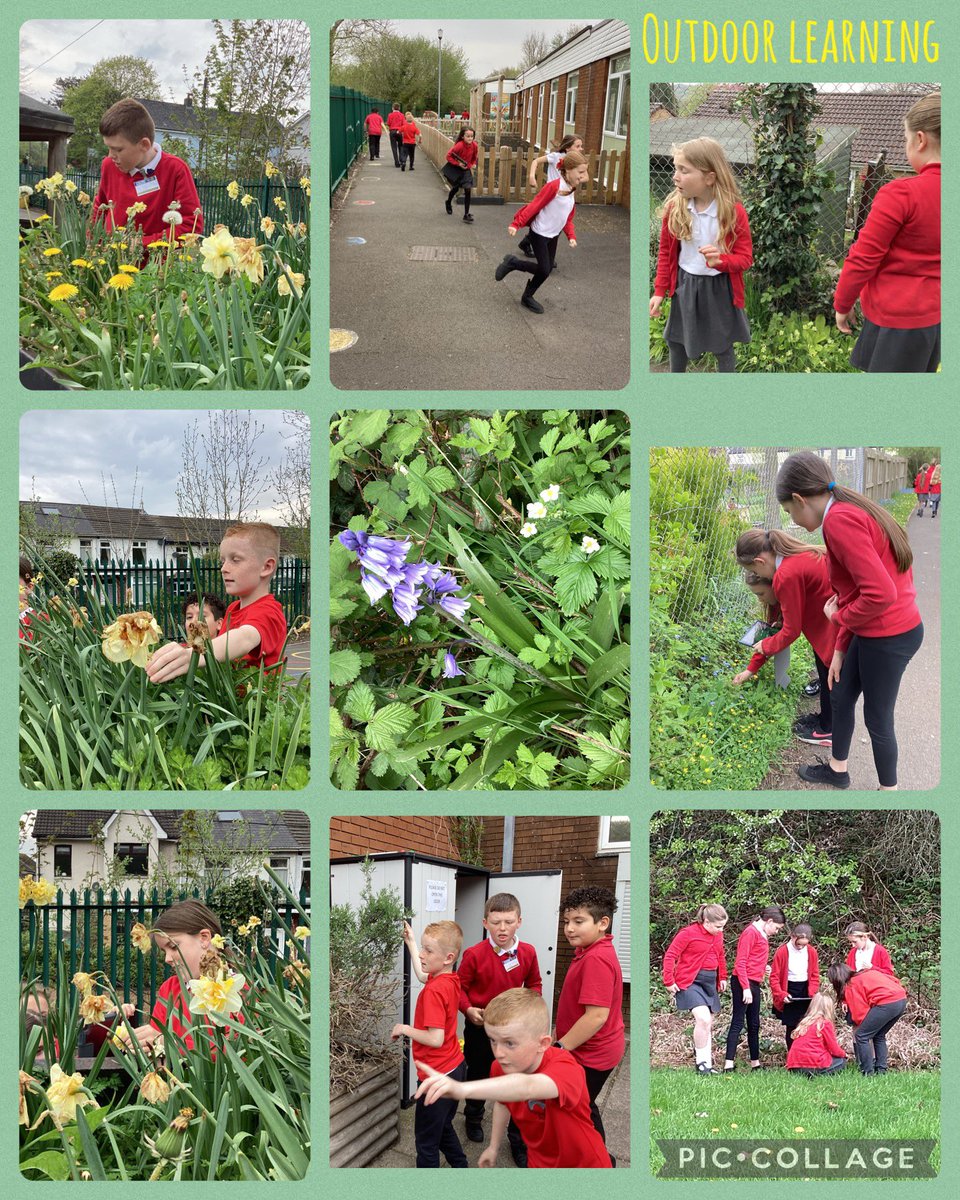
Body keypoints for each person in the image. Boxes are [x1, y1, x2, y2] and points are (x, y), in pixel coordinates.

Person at [775, 451, 923, 790]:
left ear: (799, 499)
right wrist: (841, 647)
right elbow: (854, 591)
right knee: (839, 691)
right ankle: (837, 770)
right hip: (872, 628)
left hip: (889, 635)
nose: (792, 519)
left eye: (788, 511)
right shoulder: (844, 510)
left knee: (878, 720)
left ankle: (889, 795)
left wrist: (838, 617)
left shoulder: (839, 521)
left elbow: (880, 593)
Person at [414, 989, 613, 1168]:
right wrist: (493, 1146)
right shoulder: (500, 1067)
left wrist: (462, 1089)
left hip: (584, 1164)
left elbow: (527, 1087)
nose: (498, 1053)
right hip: (539, 1161)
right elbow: (503, 1103)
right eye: (493, 1040)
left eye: (509, 1043)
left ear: (543, 1044)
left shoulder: (566, 1068)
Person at [833, 93, 940, 372]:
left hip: (896, 322)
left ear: (920, 140)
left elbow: (863, 257)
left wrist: (843, 303)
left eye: (905, 139)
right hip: (936, 319)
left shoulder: (902, 193)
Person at [650, 137, 752, 373]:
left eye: (684, 170)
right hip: (685, 285)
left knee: (722, 346)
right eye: (675, 169)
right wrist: (659, 291)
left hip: (719, 288)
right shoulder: (675, 209)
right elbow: (665, 254)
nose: (675, 176)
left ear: (709, 178)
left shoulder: (733, 212)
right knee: (676, 342)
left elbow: (745, 258)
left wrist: (721, 260)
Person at [457, 893, 542, 1163]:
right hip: (481, 1028)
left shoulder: (528, 952)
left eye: (508, 922)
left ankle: (517, 1138)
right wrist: (467, 1009)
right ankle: (473, 1116)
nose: (502, 929)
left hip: (514, 1030)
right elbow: (459, 988)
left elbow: (535, 984)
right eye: (495, 923)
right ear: (485, 923)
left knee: (516, 1078)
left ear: (519, 921)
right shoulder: (474, 954)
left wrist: (530, 1009)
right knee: (479, 1073)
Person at [733, 529, 837, 748]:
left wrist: (767, 644)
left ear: (760, 562)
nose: (760, 600)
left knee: (830, 676)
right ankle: (825, 720)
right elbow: (776, 631)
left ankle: (828, 729)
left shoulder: (784, 576)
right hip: (827, 624)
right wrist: (751, 669)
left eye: (760, 594)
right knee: (824, 671)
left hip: (832, 629)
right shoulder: (792, 558)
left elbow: (791, 631)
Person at [146, 523, 287, 683]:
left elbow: (244, 638)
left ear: (266, 567)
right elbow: (219, 645)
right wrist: (183, 649)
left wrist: (192, 655)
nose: (223, 568)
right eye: (222, 561)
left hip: (257, 699)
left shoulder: (269, 611)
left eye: (235, 560)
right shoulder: (233, 608)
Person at [391, 920, 468, 1168]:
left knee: (426, 1143)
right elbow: (423, 975)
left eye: (428, 950)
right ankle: (462, 1167)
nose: (422, 955)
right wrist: (411, 942)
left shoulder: (434, 991)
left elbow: (435, 1039)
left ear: (448, 957)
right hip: (455, 1069)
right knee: (443, 1127)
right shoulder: (449, 979)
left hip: (436, 1078)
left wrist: (404, 1029)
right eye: (423, 948)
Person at [119, 900, 241, 1054]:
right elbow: (155, 1045)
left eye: (174, 947)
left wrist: (170, 1044)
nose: (167, 959)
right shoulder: (169, 989)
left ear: (204, 938)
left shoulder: (239, 990)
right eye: (164, 951)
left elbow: (240, 1051)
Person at [554, 886, 624, 1143]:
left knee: (580, 1109)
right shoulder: (587, 952)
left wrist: (560, 1048)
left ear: (602, 923)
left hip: (593, 1055)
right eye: (566, 922)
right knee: (581, 1105)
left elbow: (596, 1017)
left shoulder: (596, 959)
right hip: (587, 1049)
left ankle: (600, 1160)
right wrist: (558, 1032)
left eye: (578, 921)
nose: (569, 928)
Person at [93, 99, 203, 246]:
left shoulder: (175, 170)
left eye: (118, 149)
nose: (111, 155)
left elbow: (191, 226)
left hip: (156, 260)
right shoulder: (109, 165)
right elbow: (99, 210)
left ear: (144, 145)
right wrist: (93, 245)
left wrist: (142, 244)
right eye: (109, 147)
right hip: (111, 258)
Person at [494, 150, 588, 315]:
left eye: (584, 172)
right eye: (581, 172)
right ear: (568, 170)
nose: (584, 176)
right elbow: (535, 205)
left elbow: (566, 217)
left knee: (547, 269)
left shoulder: (571, 189)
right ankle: (516, 270)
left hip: (553, 235)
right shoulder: (554, 186)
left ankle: (522, 283)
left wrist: (571, 236)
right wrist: (517, 223)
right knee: (544, 270)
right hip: (539, 233)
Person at [661, 903, 729, 1074]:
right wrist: (668, 980)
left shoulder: (718, 935)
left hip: (710, 982)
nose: (721, 930)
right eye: (718, 926)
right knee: (703, 1019)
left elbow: (720, 955)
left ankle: (707, 1065)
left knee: (708, 1023)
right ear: (706, 921)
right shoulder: (688, 933)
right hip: (690, 981)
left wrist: (722, 977)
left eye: (723, 926)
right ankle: (701, 1064)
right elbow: (670, 955)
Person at [722, 905, 786, 1071]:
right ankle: (728, 1064)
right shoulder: (751, 932)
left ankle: (755, 1063)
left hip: (754, 982)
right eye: (777, 928)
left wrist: (764, 967)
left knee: (754, 1023)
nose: (777, 932)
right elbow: (741, 962)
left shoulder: (762, 934)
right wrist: (745, 988)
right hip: (742, 982)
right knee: (738, 1022)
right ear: (769, 921)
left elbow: (754, 958)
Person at [828, 963, 907, 1075]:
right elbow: (894, 980)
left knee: (861, 1036)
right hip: (901, 999)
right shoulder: (866, 972)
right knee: (879, 1035)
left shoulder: (851, 984)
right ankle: (881, 1070)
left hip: (886, 1003)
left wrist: (860, 1024)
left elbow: (859, 1014)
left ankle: (867, 1072)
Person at [520, 134, 585, 261]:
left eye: (581, 146)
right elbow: (536, 161)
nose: (581, 149)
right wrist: (532, 176)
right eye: (578, 146)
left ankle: (531, 245)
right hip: (551, 197)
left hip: (565, 197)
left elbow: (584, 177)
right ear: (567, 148)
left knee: (556, 223)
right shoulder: (556, 157)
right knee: (548, 223)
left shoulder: (575, 163)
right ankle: (544, 255)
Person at [770, 923, 820, 1052]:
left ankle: (804, 1054)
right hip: (789, 989)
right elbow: (774, 978)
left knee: (806, 1024)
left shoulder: (811, 951)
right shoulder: (782, 952)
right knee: (791, 1026)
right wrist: (781, 994)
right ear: (792, 937)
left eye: (804, 945)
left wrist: (812, 992)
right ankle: (792, 1055)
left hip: (806, 990)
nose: (801, 947)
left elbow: (815, 975)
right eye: (799, 944)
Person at [785, 993, 847, 1076]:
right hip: (812, 1063)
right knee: (841, 1061)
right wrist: (844, 1054)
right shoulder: (825, 1024)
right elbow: (834, 1049)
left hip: (794, 1066)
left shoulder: (804, 1022)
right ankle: (817, 1073)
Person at [443, 127, 479, 223]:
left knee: (468, 189)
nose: (470, 138)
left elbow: (474, 157)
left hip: (466, 170)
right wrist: (458, 164)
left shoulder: (474, 145)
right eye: (468, 136)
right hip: (457, 169)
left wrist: (471, 164)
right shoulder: (459, 145)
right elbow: (448, 156)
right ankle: (448, 202)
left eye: (472, 136)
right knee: (455, 188)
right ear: (463, 136)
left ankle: (466, 214)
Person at [387, 103, 406, 168]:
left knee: (394, 147)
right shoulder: (402, 115)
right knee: (401, 146)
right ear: (399, 108)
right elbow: (404, 124)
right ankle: (402, 160)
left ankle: (396, 162)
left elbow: (388, 123)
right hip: (400, 131)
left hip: (392, 131)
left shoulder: (390, 115)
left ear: (392, 108)